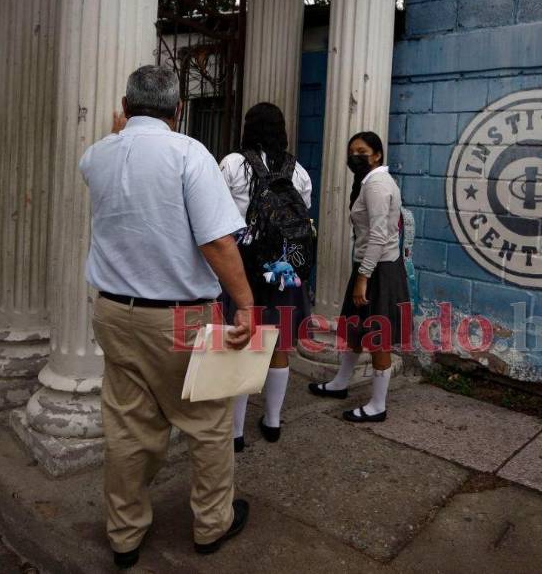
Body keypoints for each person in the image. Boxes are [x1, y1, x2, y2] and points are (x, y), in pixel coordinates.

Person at [82, 65, 254, 569]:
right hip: (180, 317)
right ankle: (210, 525)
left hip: (115, 312)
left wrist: (121, 131)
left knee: (128, 425)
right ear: (178, 110)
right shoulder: (188, 154)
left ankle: (125, 535)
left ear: (125, 105)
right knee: (206, 421)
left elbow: (113, 158)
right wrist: (245, 304)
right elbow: (218, 241)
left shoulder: (97, 156)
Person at [219, 102, 313, 452]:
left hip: (241, 263)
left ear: (249, 128)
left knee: (243, 341)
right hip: (283, 269)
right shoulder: (299, 172)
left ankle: (235, 433)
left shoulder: (232, 164)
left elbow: (216, 216)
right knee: (278, 341)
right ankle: (272, 421)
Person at [308, 131, 410, 423]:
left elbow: (379, 235)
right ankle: (341, 383)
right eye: (351, 151)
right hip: (369, 266)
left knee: (378, 337)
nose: (355, 156)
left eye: (362, 151)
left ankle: (378, 405)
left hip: (378, 269)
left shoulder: (377, 184)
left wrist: (363, 276)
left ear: (377, 154)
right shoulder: (368, 182)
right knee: (354, 329)